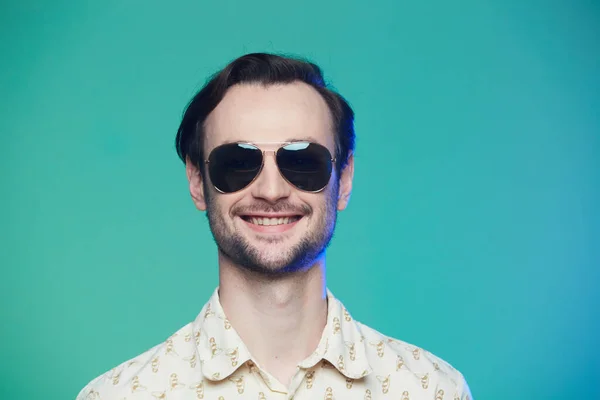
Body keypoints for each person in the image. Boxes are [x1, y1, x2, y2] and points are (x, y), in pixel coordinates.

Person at [76, 53, 472, 400]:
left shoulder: (431, 389)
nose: (270, 190)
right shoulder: (119, 394)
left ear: (344, 179)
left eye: (302, 161)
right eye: (237, 162)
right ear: (197, 182)